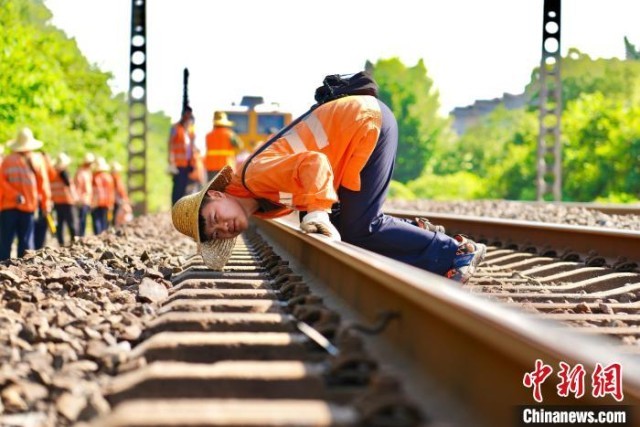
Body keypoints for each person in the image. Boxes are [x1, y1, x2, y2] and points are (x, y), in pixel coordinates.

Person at [171, 72, 486, 283]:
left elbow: (315, 163)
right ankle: (416, 234)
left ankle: (453, 253)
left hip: (364, 123)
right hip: (359, 129)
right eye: (215, 233)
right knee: (348, 226)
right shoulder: (261, 201)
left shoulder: (254, 176)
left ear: (217, 195)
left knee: (359, 227)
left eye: (213, 218)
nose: (222, 228)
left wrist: (318, 210)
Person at [0, 128, 51, 260]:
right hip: (28, 207)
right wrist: (46, 205)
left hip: (8, 206)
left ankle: (3, 270)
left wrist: (13, 195)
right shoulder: (38, 160)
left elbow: (1, 182)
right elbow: (44, 186)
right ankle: (24, 273)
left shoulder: (7, 160)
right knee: (26, 242)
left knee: (5, 241)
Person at [169, 106, 195, 204]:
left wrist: (192, 163)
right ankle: (174, 207)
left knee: (185, 188)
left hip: (187, 164)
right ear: (183, 115)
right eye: (186, 114)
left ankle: (180, 208)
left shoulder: (189, 130)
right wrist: (171, 160)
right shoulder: (175, 128)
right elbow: (170, 143)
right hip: (178, 164)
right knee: (177, 188)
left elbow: (191, 147)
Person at [204, 111, 242, 180]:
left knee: (211, 189)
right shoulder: (230, 134)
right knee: (225, 189)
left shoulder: (208, 135)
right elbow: (239, 145)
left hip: (211, 167)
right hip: (226, 167)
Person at [51, 152, 78, 246]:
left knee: (60, 224)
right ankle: (74, 241)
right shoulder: (64, 173)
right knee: (71, 223)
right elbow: (69, 186)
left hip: (57, 202)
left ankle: (61, 242)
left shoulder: (53, 174)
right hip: (67, 201)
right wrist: (75, 198)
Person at [32, 150, 55, 249]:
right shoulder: (38, 167)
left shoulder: (42, 167)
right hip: (38, 203)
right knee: (38, 230)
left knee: (38, 230)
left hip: (38, 203)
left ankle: (36, 250)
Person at [91, 157, 115, 235]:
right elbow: (111, 192)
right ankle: (104, 236)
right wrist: (111, 203)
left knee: (97, 221)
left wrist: (92, 203)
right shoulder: (108, 177)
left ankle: (98, 236)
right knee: (104, 220)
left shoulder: (95, 177)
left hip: (97, 202)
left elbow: (94, 192)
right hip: (106, 202)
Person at [74, 152, 94, 237]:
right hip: (82, 200)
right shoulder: (81, 173)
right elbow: (78, 187)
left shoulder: (87, 172)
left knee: (84, 220)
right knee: (81, 220)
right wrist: (78, 199)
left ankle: (81, 236)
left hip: (87, 200)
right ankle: (79, 236)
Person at [110, 161, 131, 226]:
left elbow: (122, 193)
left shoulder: (118, 181)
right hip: (115, 203)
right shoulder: (112, 180)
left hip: (118, 203)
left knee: (117, 219)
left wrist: (125, 202)